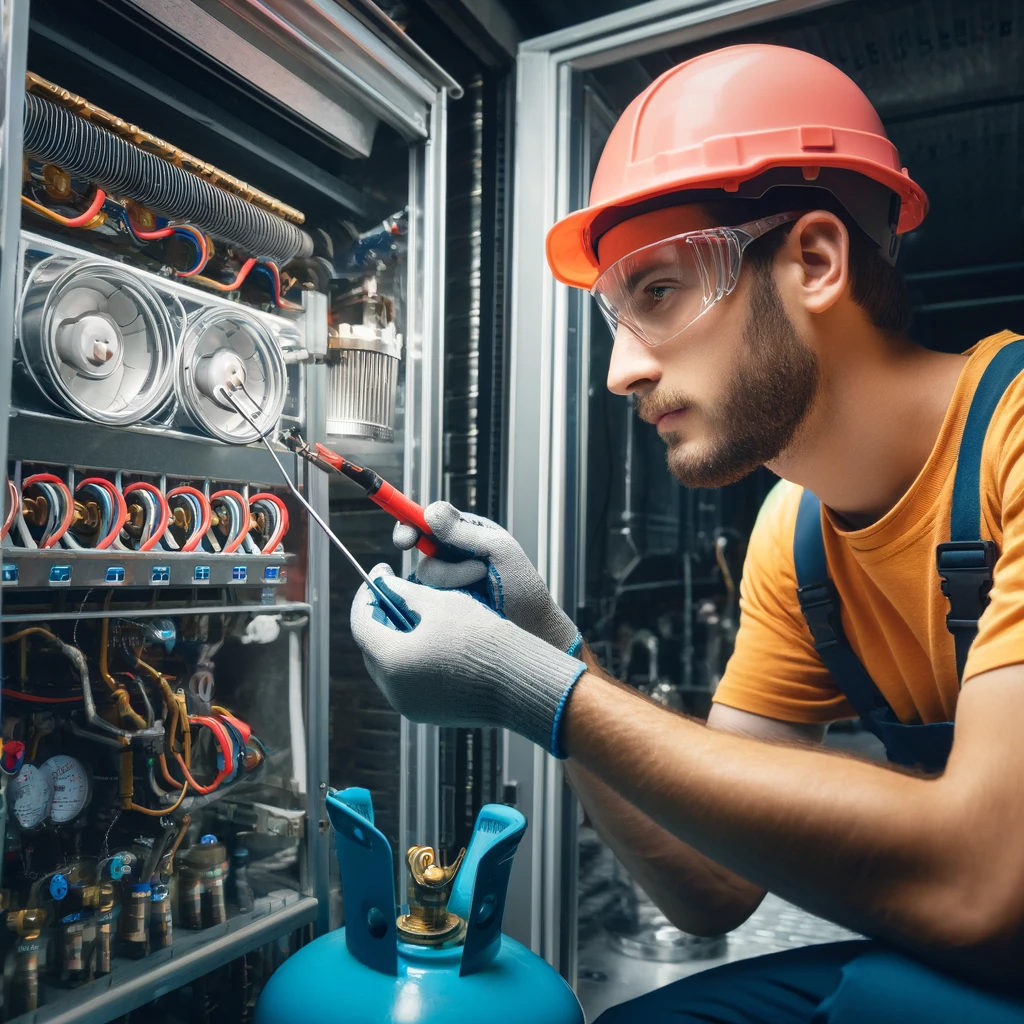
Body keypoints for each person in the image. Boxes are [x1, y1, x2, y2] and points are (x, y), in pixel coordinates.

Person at [349, 44, 1024, 1021]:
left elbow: (985, 884)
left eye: (658, 292)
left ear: (815, 260)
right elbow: (707, 888)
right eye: (612, 317)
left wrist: (533, 688)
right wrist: (549, 641)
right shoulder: (794, 536)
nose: (621, 369)